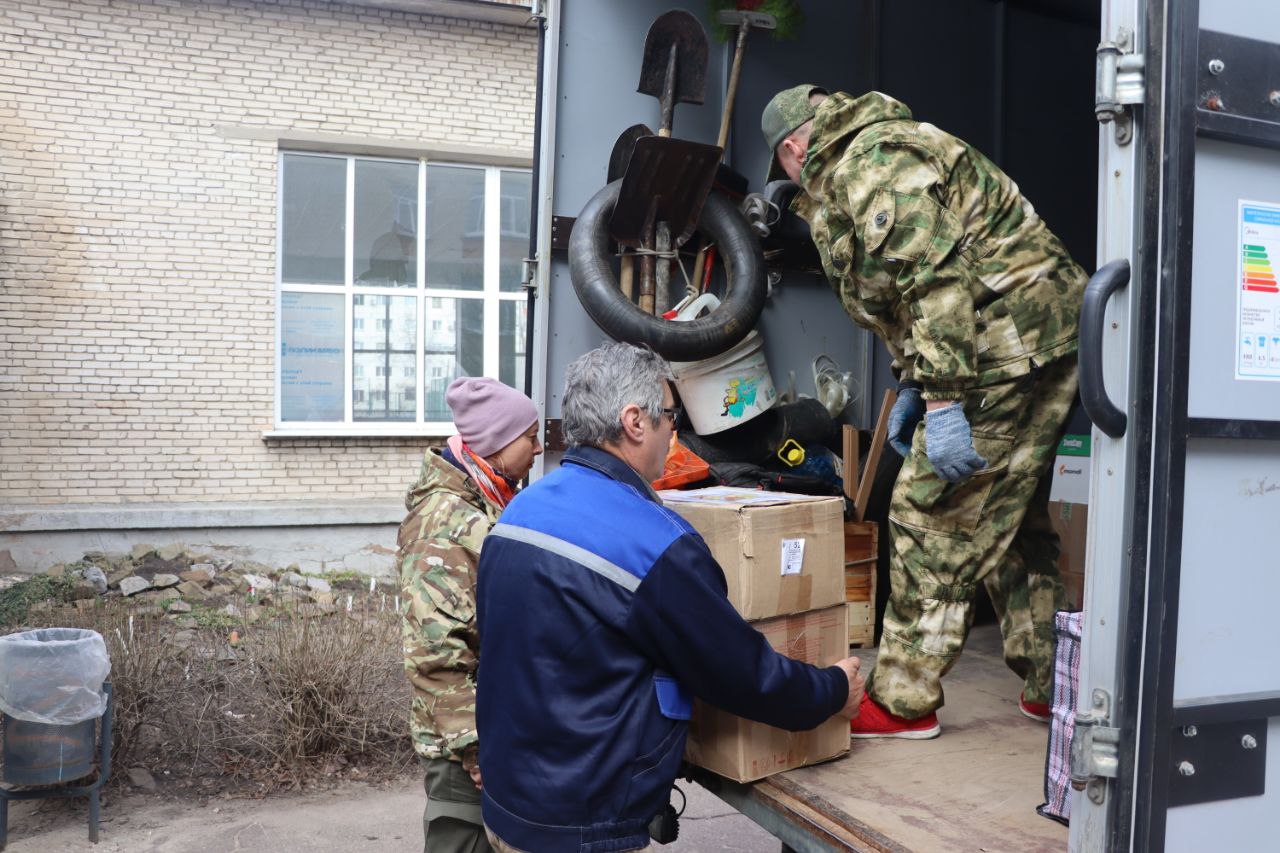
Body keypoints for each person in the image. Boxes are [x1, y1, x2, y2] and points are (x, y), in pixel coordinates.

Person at [761, 85, 1085, 739]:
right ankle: (1059, 684)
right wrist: (916, 381)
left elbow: (936, 283)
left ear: (794, 148)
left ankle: (905, 699)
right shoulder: (870, 160)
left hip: (1010, 347)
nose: (792, 185)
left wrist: (943, 399)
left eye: (784, 169)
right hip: (1019, 342)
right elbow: (907, 296)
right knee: (1012, 524)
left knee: (928, 514)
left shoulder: (872, 161)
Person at [474, 342, 864, 853]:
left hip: (510, 803)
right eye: (670, 418)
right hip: (580, 825)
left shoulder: (521, 510)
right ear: (635, 422)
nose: (674, 433)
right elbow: (741, 675)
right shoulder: (656, 544)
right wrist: (833, 689)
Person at [397, 376, 542, 853]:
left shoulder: (485, 502)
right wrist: (474, 746)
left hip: (489, 734)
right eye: (530, 436)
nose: (538, 448)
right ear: (498, 443)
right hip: (463, 753)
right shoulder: (443, 523)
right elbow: (434, 652)